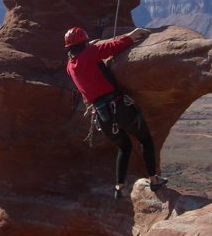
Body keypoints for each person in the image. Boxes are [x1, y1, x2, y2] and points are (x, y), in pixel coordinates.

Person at [65, 26, 167, 198]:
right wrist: (133, 35)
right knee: (145, 139)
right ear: (85, 42)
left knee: (124, 147)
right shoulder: (90, 53)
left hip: (102, 116)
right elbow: (114, 46)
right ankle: (154, 180)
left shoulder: (70, 66)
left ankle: (119, 187)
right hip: (119, 107)